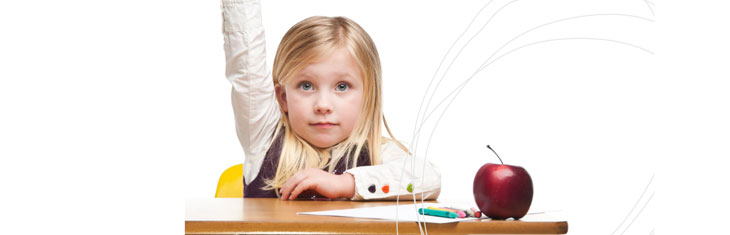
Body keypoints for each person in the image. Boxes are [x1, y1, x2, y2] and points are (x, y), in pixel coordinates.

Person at [221, 0, 441, 200]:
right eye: (306, 86)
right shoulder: (263, 137)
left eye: (342, 87)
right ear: (283, 97)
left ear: (368, 97)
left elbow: (429, 179)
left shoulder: (377, 152)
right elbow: (246, 64)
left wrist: (347, 184)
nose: (323, 105)